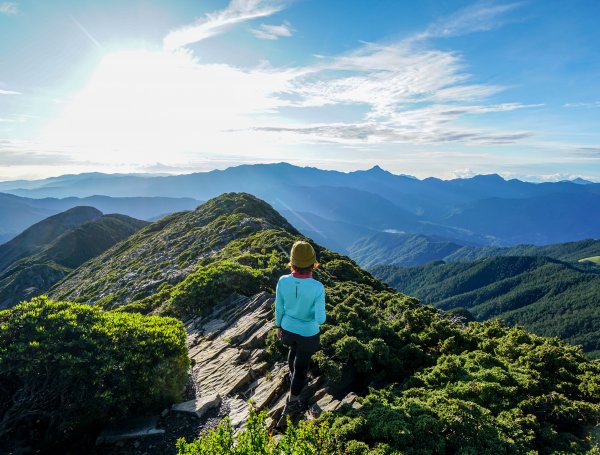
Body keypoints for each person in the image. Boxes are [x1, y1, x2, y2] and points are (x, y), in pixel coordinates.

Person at [275, 240, 326, 423]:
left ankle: (292, 377)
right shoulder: (317, 288)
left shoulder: (282, 281)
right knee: (302, 367)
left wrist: (278, 326)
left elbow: (279, 308)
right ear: (313, 264)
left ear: (292, 262)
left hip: (287, 330)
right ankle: (293, 400)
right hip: (308, 334)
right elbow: (320, 319)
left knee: (293, 351)